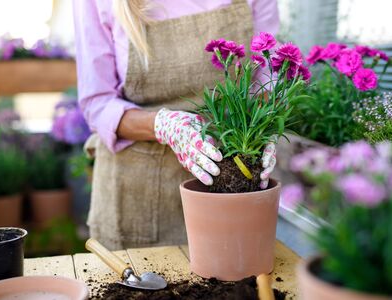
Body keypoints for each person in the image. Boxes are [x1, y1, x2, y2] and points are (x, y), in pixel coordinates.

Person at [73, 0, 279, 250]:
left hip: (232, 185)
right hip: (136, 195)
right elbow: (98, 102)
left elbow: (267, 77)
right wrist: (164, 125)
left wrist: (265, 128)